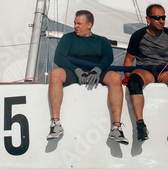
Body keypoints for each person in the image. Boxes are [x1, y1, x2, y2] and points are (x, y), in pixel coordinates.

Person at [47, 10, 128, 144]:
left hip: (96, 71)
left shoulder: (102, 41)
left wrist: (97, 70)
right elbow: (58, 57)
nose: (75, 26)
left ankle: (116, 127)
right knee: (55, 73)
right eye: (75, 23)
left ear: (89, 25)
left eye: (79, 23)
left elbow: (108, 57)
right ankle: (55, 124)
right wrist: (77, 70)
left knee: (115, 77)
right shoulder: (68, 38)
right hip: (73, 71)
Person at [123, 4, 168, 143]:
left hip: (166, 71)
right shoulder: (138, 36)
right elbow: (129, 60)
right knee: (134, 81)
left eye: (163, 17)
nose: (161, 21)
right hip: (145, 70)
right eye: (157, 18)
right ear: (148, 19)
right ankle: (140, 124)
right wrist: (127, 78)